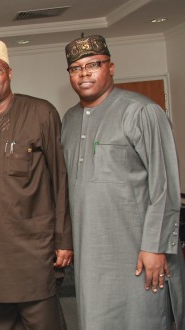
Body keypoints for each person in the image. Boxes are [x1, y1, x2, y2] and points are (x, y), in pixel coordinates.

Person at [61, 34, 184, 329]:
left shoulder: (141, 111)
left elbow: (164, 185)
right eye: (76, 68)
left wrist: (155, 247)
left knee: (144, 319)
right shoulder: (69, 119)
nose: (84, 73)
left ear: (111, 67)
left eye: (94, 64)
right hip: (91, 255)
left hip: (138, 253)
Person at [0, 40, 73, 329]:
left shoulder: (41, 113)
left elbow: (60, 180)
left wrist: (63, 240)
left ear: (9, 73)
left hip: (33, 249)